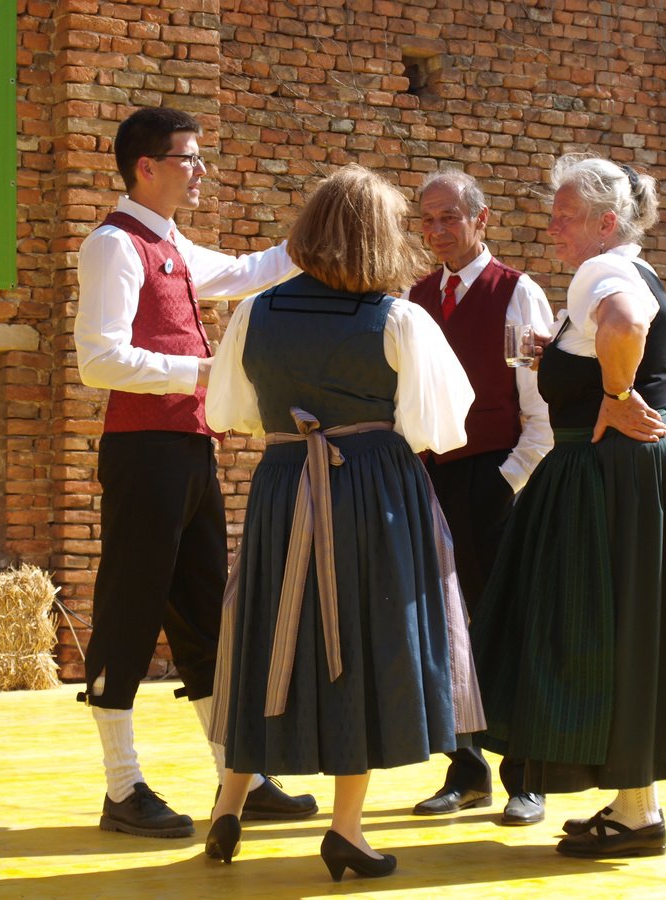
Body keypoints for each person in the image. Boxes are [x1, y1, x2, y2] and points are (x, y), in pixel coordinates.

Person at [203, 164, 484, 881]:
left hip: (282, 485)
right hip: (371, 490)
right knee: (360, 637)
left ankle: (229, 805)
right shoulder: (397, 319)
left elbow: (227, 413)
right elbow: (442, 427)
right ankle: (347, 829)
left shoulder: (254, 313)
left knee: (270, 631)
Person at [73, 107, 316, 837]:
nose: (201, 169)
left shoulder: (170, 241)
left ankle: (238, 777)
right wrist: (204, 372)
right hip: (143, 453)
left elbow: (245, 274)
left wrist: (318, 233)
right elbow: (99, 360)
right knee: (130, 610)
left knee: (208, 615)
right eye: (189, 157)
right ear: (146, 167)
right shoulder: (114, 245)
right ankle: (122, 789)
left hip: (187, 449)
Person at [469, 155, 666, 859]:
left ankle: (637, 815)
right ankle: (637, 806)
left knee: (592, 633)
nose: (552, 229)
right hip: (640, 472)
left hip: (608, 475)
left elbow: (626, 324)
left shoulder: (600, 271)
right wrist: (562, 356)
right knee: (629, 631)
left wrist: (612, 395)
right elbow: (621, 328)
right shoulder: (634, 267)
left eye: (564, 217)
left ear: (607, 223)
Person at [406, 170, 553, 826]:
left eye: (449, 218)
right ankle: (465, 772)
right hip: (433, 480)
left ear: (481, 218)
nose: (437, 231)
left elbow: (540, 406)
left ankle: (527, 775)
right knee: (448, 630)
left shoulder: (517, 293)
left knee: (507, 626)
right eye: (427, 219)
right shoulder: (414, 299)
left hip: (496, 477)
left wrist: (508, 479)